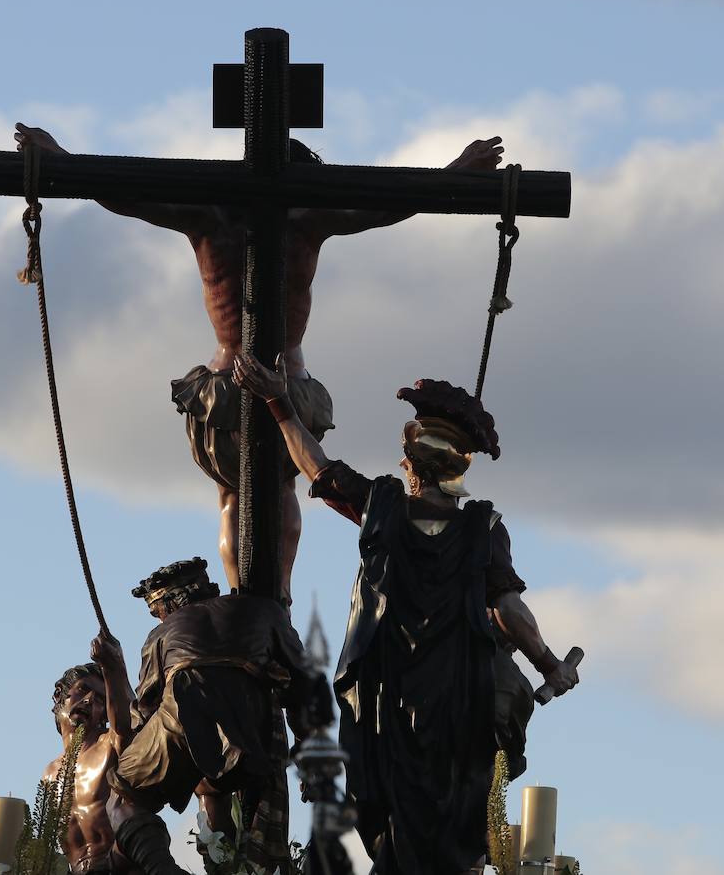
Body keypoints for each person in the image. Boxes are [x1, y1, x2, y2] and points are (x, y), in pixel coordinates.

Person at [14, 123, 505, 604]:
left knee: (234, 496)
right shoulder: (306, 216)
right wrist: (454, 171)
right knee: (286, 487)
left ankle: (247, 598)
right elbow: (391, 204)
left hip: (227, 380)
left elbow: (123, 194)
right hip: (282, 382)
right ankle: (276, 599)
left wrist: (63, 160)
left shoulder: (211, 214)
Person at [232, 358, 581, 875]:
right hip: (457, 693)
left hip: (385, 694)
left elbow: (317, 468)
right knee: (456, 796)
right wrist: (550, 664)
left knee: (394, 803)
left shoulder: (383, 506)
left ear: (410, 459)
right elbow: (508, 609)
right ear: (458, 467)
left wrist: (278, 402)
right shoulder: (482, 527)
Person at [91, 557, 332, 875]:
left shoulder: (161, 635)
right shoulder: (267, 610)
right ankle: (224, 865)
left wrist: (114, 675)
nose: (158, 617)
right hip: (254, 721)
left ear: (171, 602)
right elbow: (305, 684)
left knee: (123, 799)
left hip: (187, 707)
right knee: (209, 782)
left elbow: (143, 715)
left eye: (157, 610)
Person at [43, 657, 140, 874]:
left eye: (99, 700)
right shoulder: (49, 775)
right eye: (83, 690)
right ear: (60, 695)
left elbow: (132, 722)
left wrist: (115, 665)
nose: (88, 700)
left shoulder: (110, 745)